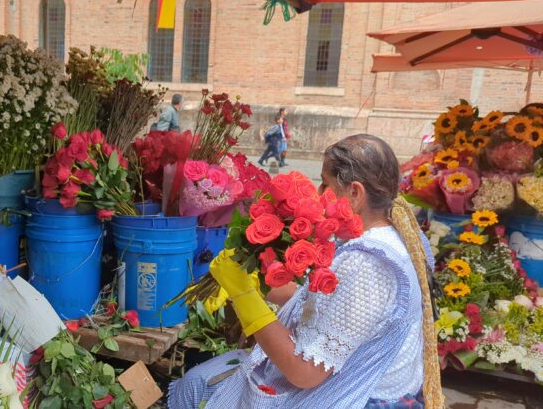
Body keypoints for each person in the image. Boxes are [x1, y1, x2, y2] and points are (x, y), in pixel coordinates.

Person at [168, 134, 444, 408]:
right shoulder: (385, 233)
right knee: (197, 381)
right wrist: (258, 279)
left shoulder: (367, 264)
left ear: (355, 193)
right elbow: (324, 305)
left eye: (325, 184)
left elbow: (304, 372)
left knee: (199, 387)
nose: (320, 194)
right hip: (345, 381)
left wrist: (244, 297)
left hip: (359, 398)